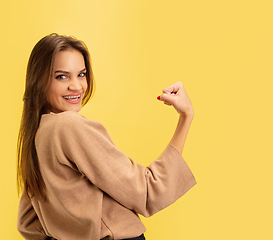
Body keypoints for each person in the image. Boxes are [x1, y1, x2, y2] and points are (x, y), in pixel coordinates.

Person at [16, 33, 196, 240]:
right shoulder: (69, 126)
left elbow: (27, 223)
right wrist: (186, 117)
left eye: (81, 74)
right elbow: (149, 192)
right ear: (39, 81)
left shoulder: (36, 134)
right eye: (61, 76)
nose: (76, 86)